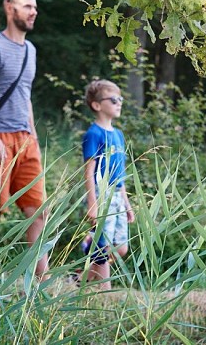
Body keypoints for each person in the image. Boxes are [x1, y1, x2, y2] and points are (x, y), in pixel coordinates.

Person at [0, 0, 48, 279]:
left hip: (26, 139)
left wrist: (34, 137)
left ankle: (41, 278)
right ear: (10, 8)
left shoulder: (30, 50)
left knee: (38, 210)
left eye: (35, 7)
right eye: (27, 6)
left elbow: (25, 94)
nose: (34, 12)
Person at [79, 79, 135, 289]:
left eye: (120, 99)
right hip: (101, 195)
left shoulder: (118, 135)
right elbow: (89, 171)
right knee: (103, 246)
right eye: (113, 99)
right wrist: (92, 203)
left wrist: (127, 204)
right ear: (97, 105)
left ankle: (83, 266)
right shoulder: (94, 134)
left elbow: (120, 175)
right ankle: (105, 292)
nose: (119, 103)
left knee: (120, 248)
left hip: (118, 196)